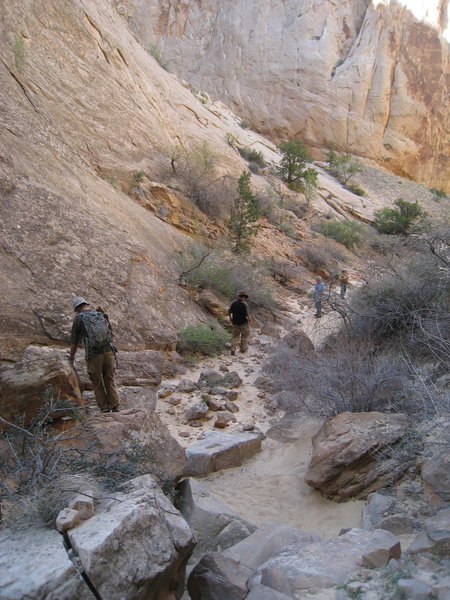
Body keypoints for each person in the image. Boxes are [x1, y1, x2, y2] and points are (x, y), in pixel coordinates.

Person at [69, 297, 120, 413]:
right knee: (110, 379)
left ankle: (104, 408)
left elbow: (74, 342)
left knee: (97, 382)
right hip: (109, 352)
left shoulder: (78, 319)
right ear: (86, 304)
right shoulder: (100, 314)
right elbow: (111, 334)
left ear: (77, 309)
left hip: (94, 354)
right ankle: (115, 405)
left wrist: (71, 357)